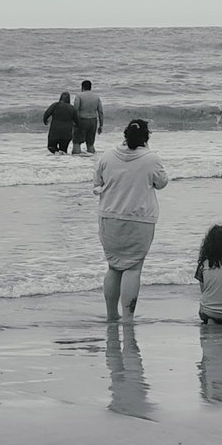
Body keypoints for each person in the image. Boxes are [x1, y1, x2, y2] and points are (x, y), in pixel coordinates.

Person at [93, 119, 168, 322]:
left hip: (109, 218)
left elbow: (97, 183)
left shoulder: (107, 156)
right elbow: (162, 183)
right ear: (147, 137)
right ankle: (128, 318)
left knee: (113, 267)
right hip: (139, 220)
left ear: (124, 136)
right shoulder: (151, 159)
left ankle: (111, 315)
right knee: (133, 268)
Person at [72, 79, 104, 154]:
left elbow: (75, 110)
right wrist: (101, 125)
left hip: (82, 120)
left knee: (76, 142)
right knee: (90, 144)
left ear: (82, 87)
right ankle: (91, 160)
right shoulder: (96, 97)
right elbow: (100, 112)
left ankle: (76, 162)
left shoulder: (79, 96)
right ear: (90, 87)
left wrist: (74, 122)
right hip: (93, 121)